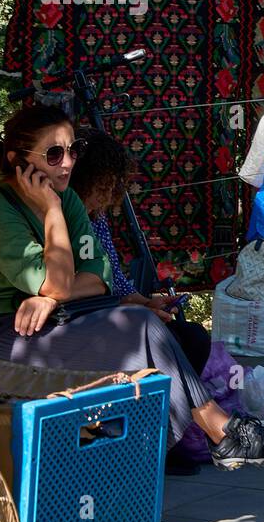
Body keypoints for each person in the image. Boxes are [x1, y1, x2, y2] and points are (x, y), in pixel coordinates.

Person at [0, 106, 264, 470]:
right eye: (54, 154)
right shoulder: (2, 208)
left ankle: (207, 439)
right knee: (143, 328)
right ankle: (220, 432)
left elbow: (100, 275)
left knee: (150, 330)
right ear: (18, 159)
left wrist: (49, 298)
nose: (67, 163)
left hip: (56, 320)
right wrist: (51, 213)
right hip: (9, 333)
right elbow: (62, 283)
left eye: (72, 150)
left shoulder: (66, 198)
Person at [69, 128, 212, 372]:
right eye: (101, 188)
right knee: (169, 343)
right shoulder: (64, 219)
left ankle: (182, 405)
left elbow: (115, 279)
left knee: (194, 337)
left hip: (114, 309)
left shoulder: (97, 217)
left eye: (112, 188)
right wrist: (134, 310)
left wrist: (148, 303)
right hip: (85, 320)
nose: (106, 197)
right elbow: (85, 293)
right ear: (82, 180)